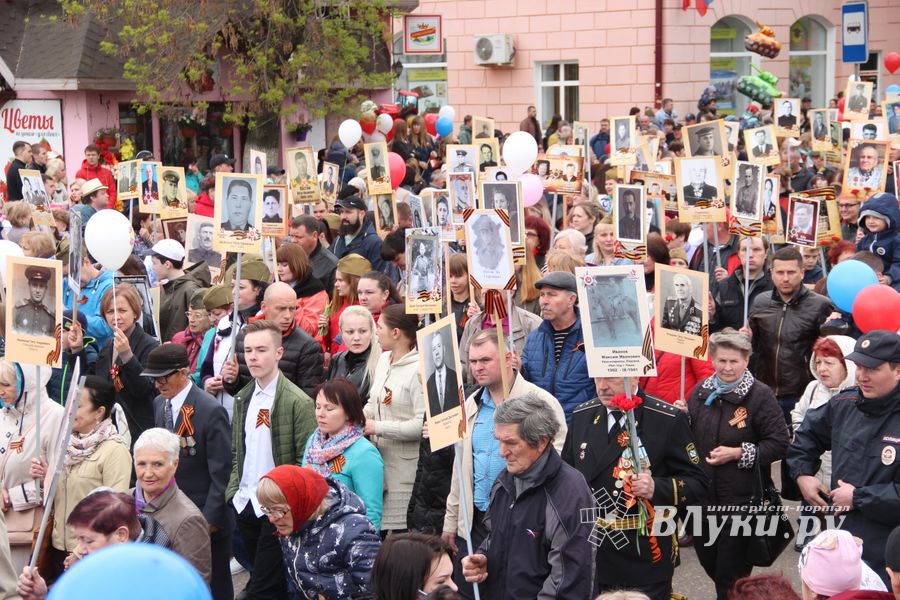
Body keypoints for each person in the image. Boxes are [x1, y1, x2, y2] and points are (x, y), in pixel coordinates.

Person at [443, 330, 566, 594]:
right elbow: (460, 469)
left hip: (523, 523)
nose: (477, 367)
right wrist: (451, 521)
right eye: (473, 361)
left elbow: (556, 467)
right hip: (475, 522)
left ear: (509, 358)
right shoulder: (471, 404)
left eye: (485, 360)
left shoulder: (541, 403)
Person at [563, 376, 708, 600]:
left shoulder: (666, 418)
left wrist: (657, 487)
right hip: (594, 549)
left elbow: (698, 483)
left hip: (644, 550)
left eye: (611, 378)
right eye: (598, 378)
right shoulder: (583, 414)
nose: (602, 386)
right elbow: (567, 476)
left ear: (634, 377)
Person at [788, 330, 900, 585]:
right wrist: (802, 475)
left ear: (898, 371)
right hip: (844, 541)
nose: (862, 376)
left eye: (873, 369)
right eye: (859, 366)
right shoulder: (844, 404)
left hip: (892, 550)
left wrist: (858, 497)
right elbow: (805, 438)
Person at [687, 329, 790, 600]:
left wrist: (737, 453)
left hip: (742, 501)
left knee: (729, 578)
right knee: (710, 564)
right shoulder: (700, 391)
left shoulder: (760, 395)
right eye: (722, 360)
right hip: (702, 500)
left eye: (734, 361)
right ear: (713, 359)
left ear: (746, 360)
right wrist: (682, 418)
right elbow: (690, 438)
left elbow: (779, 443)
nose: (727, 367)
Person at [461, 394, 594, 600]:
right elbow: (495, 535)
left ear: (541, 442)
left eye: (511, 443)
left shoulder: (570, 492)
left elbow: (569, 577)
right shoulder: (505, 481)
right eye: (499, 441)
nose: (502, 452)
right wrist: (484, 557)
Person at [226, 320, 317, 600]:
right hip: (245, 503)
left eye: (261, 350)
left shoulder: (298, 402)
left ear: (278, 353)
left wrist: (286, 506)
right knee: (270, 584)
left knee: (261, 589)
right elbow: (237, 451)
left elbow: (306, 461)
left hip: (277, 508)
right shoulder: (243, 398)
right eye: (248, 350)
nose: (253, 357)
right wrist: (234, 492)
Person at [145, 344, 233, 600]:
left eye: (164, 378)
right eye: (154, 378)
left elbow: (222, 470)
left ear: (183, 373)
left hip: (204, 513)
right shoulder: (160, 403)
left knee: (214, 583)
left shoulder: (210, 410)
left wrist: (211, 519)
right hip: (171, 515)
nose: (158, 384)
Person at [27, 376, 131, 580]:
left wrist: (79, 552)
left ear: (99, 412)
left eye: (78, 405)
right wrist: (46, 477)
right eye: (69, 403)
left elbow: (116, 510)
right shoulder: (66, 445)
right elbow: (58, 497)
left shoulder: (115, 450)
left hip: (88, 554)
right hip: (57, 547)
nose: (69, 410)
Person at [16, 490, 174, 600]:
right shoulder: (95, 565)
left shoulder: (155, 580)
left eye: (88, 541)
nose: (81, 549)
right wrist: (43, 596)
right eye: (79, 539)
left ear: (121, 535)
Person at [257, 465, 381, 599]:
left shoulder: (352, 532)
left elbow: (378, 591)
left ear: (300, 501)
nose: (271, 519)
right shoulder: (292, 525)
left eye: (278, 510)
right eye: (267, 509)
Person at [743, 247, 834, 423]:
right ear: (771, 273)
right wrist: (747, 339)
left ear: (802, 273)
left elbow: (828, 349)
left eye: (791, 272)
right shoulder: (761, 302)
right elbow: (753, 346)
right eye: (780, 272)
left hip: (801, 393)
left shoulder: (820, 305)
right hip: (765, 390)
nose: (785, 278)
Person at [65, 284, 159, 446]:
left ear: (135, 313)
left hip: (137, 431)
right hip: (108, 431)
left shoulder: (150, 346)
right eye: (110, 312)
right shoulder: (108, 346)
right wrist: (77, 349)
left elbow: (143, 390)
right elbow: (90, 384)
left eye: (122, 311)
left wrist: (127, 355)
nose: (116, 317)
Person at [789, 336, 857, 548]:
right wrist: (804, 433)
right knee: (810, 511)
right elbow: (797, 413)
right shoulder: (813, 388)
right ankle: (807, 536)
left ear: (848, 365)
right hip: (815, 474)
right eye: (818, 362)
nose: (822, 369)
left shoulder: (859, 394)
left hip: (843, 481)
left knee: (838, 536)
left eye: (829, 362)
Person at [363, 305, 425, 535]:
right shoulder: (383, 359)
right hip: (377, 466)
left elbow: (421, 425)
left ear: (396, 332)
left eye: (379, 327)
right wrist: (357, 417)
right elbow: (374, 401)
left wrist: (376, 427)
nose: (376, 332)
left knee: (399, 540)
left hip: (404, 471)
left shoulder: (419, 369)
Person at [0, 362, 62, 573]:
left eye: (6, 384)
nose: (0, 391)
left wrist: (11, 497)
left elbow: (59, 479)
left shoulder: (55, 416)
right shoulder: (3, 414)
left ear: (27, 385)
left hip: (26, 530)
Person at [302, 378, 384, 528]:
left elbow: (371, 512)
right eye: (318, 407)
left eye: (329, 409)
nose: (320, 414)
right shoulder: (313, 443)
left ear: (348, 413)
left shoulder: (364, 452)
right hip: (310, 530)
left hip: (346, 534)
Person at [131, 428, 211, 582]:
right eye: (141, 464)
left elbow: (194, 585)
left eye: (157, 464)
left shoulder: (188, 520)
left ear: (175, 464)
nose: (148, 473)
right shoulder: (124, 500)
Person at [222, 281, 325, 399]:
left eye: (292, 309)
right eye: (281, 308)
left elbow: (308, 398)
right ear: (264, 307)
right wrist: (231, 380)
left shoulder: (308, 347)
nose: (288, 315)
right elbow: (239, 394)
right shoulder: (244, 337)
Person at [520, 271, 594, 421]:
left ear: (571, 299)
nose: (544, 301)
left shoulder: (592, 335)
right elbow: (525, 383)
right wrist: (516, 369)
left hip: (580, 425)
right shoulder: (534, 338)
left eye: (552, 295)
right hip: (542, 426)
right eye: (542, 295)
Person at [151, 238, 211, 343]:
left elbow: (200, 328)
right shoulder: (167, 286)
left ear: (167, 264)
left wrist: (179, 343)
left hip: (181, 349)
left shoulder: (190, 289)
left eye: (154, 263)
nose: (153, 267)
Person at [710, 236, 773, 333]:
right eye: (745, 250)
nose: (750, 255)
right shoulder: (725, 285)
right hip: (731, 342)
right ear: (738, 254)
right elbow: (716, 328)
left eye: (756, 249)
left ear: (766, 253)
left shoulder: (774, 287)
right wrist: (712, 316)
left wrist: (754, 337)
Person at [276, 242, 329, 336]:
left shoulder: (316, 292)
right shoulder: (276, 287)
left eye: (284, 265)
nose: (279, 269)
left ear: (297, 264)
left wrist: (292, 305)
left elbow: (310, 330)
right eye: (277, 264)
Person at [856, 192, 900, 290]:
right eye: (867, 217)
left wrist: (889, 278)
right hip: (867, 282)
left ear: (889, 219)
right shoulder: (864, 240)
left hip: (893, 282)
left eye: (876, 217)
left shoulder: (896, 240)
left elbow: (898, 263)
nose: (871, 221)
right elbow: (857, 262)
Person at [331, 194, 386, 271]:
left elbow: (378, 274)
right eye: (341, 212)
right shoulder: (338, 240)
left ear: (361, 214)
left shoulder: (374, 242)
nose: (343, 216)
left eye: (348, 212)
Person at [289, 215, 338, 294]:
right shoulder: (289, 257)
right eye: (291, 236)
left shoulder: (331, 264)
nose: (293, 241)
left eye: (298, 237)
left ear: (314, 235)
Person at [14, 265, 55, 337]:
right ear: (29, 285)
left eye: (41, 286)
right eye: (34, 285)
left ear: (46, 288)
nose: (38, 290)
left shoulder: (50, 319)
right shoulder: (17, 310)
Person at [426, 330, 460, 418]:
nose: (436, 352)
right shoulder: (429, 383)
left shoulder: (455, 377)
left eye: (439, 346)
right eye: (434, 349)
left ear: (444, 350)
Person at [74, 144, 117, 210]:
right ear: (85, 156)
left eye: (93, 155)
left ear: (98, 156)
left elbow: (113, 192)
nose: (91, 157)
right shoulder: (80, 173)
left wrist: (108, 207)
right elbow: (80, 195)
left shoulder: (107, 172)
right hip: (89, 210)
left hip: (108, 209)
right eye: (88, 155)